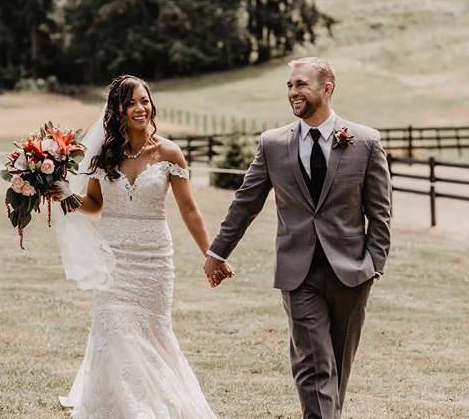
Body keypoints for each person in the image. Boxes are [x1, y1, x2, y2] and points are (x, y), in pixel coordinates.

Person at [204, 57, 391, 419]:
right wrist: (217, 251)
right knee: (313, 365)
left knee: (337, 367)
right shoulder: (273, 144)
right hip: (298, 273)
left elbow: (380, 212)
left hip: (351, 273)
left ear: (327, 88)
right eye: (290, 86)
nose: (293, 92)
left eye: (301, 84)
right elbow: (246, 202)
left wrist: (373, 266)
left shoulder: (365, 142)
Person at [50, 75, 216, 418]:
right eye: (131, 103)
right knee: (114, 329)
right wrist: (68, 196)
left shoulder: (170, 152)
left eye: (145, 100)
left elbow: (189, 209)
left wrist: (211, 254)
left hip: (154, 259)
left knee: (152, 334)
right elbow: (94, 204)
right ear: (118, 111)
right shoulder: (103, 155)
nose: (141, 108)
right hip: (113, 259)